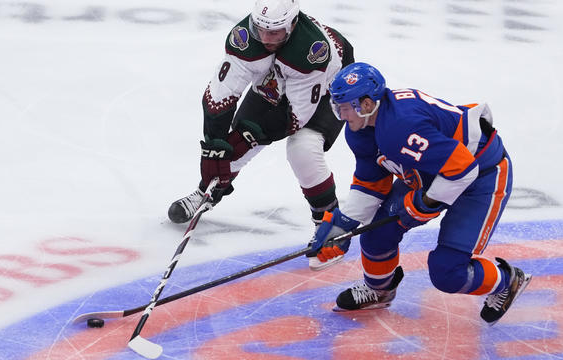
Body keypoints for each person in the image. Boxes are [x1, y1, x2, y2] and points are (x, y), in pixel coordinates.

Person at [311, 62, 532, 325]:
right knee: (376, 236)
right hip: (432, 172)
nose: (340, 115)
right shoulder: (362, 130)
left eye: (344, 107)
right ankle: (379, 291)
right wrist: (343, 224)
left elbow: (463, 169)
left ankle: (508, 280)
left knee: (448, 273)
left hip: (481, 176)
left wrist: (423, 204)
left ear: (367, 105)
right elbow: (372, 182)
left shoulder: (400, 127)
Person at [167, 0, 354, 270]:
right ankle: (206, 191)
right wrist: (213, 145)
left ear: (291, 25)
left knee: (302, 148)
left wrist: (249, 137)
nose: (266, 38)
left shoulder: (313, 51)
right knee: (233, 139)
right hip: (277, 77)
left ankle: (330, 224)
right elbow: (219, 97)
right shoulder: (244, 38)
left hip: (325, 85)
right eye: (261, 30)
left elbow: (295, 116)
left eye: (275, 32)